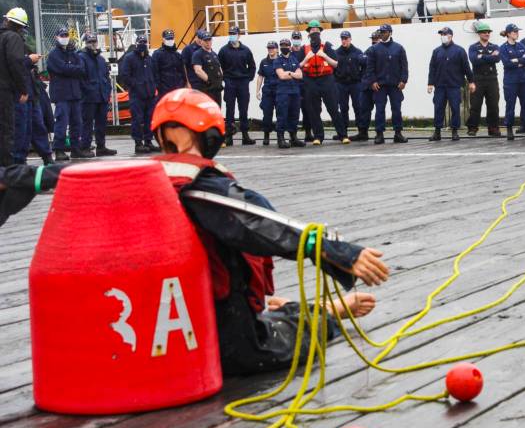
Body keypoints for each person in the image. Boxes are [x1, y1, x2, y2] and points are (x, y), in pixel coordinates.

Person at [0, 88, 389, 375]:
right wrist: (335, 249)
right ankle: (327, 313)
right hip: (206, 314)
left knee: (257, 315)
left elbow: (55, 174)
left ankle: (286, 306)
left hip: (162, 311)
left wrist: (10, 179)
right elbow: (259, 223)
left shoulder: (136, 173)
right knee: (266, 350)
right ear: (209, 136)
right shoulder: (205, 186)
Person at [298, 21, 344, 145]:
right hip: (310, 80)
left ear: (320, 32)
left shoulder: (327, 46)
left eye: (316, 30)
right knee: (313, 110)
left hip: (326, 80)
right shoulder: (304, 49)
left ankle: (342, 135)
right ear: (308, 33)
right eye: (312, 30)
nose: (314, 32)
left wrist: (324, 56)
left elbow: (336, 64)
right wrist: (306, 58)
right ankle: (318, 136)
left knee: (333, 108)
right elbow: (298, 67)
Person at [46, 28, 88, 161]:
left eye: (66, 35)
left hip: (75, 93)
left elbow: (82, 69)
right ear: (56, 37)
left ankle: (76, 149)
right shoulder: (53, 54)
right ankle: (59, 150)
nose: (64, 37)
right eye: (62, 35)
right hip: (61, 94)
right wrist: (72, 69)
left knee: (77, 123)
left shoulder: (73, 54)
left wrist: (69, 68)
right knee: (61, 123)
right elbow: (62, 68)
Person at [427, 26, 475, 141]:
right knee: (438, 108)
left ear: (450, 36)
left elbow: (466, 68)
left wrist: (471, 81)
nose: (442, 37)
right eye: (441, 35)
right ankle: (437, 132)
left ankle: (454, 131)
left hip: (454, 85)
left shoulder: (459, 50)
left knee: (455, 108)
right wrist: (430, 83)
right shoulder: (437, 51)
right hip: (440, 86)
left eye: (444, 34)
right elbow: (432, 68)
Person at [365, 23, 409, 144]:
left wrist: (403, 80)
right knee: (379, 109)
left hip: (395, 85)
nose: (382, 34)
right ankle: (379, 133)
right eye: (381, 32)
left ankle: (398, 133)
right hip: (380, 85)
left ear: (390, 32)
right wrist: (372, 81)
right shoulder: (374, 49)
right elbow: (370, 67)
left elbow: (404, 66)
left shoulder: (399, 48)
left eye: (384, 32)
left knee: (396, 109)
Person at [0, 7, 33, 167]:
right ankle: (7, 171)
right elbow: (16, 63)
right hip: (5, 90)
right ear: (21, 26)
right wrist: (23, 89)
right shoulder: (13, 38)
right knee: (7, 130)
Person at [218, 26, 257, 146]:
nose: (232, 35)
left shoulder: (246, 50)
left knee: (243, 109)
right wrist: (225, 79)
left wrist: (247, 79)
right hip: (230, 82)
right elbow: (220, 67)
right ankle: (229, 137)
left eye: (234, 33)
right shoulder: (223, 50)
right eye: (230, 33)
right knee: (230, 109)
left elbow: (252, 66)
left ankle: (245, 135)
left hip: (242, 83)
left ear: (239, 35)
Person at [78, 33, 116, 157]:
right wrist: (87, 90)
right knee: (87, 123)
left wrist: (107, 90)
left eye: (94, 41)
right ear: (86, 43)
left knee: (101, 123)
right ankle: (85, 147)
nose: (93, 44)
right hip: (89, 97)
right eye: (90, 41)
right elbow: (81, 78)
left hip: (102, 96)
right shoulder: (82, 57)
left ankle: (101, 146)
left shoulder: (100, 59)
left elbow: (106, 76)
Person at [499, 23, 525, 140]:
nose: (516, 34)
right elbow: (507, 63)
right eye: (514, 32)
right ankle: (509, 129)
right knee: (510, 105)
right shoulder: (503, 48)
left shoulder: (521, 45)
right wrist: (520, 60)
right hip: (511, 82)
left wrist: (517, 60)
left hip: (523, 80)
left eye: (517, 32)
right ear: (508, 34)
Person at [468, 21, 501, 137]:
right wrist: (489, 57)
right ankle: (472, 127)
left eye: (488, 32)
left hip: (492, 79)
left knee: (493, 105)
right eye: (484, 32)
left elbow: (497, 59)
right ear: (479, 34)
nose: (487, 34)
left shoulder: (495, 46)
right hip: (478, 78)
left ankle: (493, 128)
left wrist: (482, 56)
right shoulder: (473, 47)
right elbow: (474, 60)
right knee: (475, 105)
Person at [334, 30, 366, 142]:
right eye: (342, 39)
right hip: (341, 84)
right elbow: (332, 69)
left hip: (355, 83)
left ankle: (362, 131)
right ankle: (343, 133)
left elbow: (365, 67)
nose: (344, 41)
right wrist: (335, 81)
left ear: (350, 39)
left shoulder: (358, 52)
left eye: (346, 38)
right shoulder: (336, 53)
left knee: (358, 107)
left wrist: (360, 79)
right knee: (343, 108)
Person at [273, 38, 305, 149]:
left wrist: (289, 73)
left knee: (294, 115)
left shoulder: (294, 59)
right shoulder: (277, 60)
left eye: (286, 45)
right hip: (283, 92)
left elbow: (300, 75)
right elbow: (281, 75)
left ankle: (293, 137)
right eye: (282, 45)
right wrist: (293, 73)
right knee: (282, 115)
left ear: (290, 47)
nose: (284, 47)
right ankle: (280, 138)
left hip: (295, 92)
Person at [355, 30, 379, 141]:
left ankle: (379, 132)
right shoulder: (369, 50)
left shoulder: (383, 51)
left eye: (376, 38)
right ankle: (363, 132)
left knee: (380, 109)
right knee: (364, 109)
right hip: (366, 85)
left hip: (378, 85)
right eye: (373, 39)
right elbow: (360, 59)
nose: (374, 41)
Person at [152, 29, 189, 100]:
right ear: (163, 39)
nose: (170, 40)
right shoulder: (157, 54)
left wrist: (182, 84)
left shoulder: (177, 54)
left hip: (178, 89)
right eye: (168, 38)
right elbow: (155, 72)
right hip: (164, 90)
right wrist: (159, 87)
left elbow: (182, 71)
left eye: (171, 38)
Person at [191, 29, 224, 108]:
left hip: (217, 88)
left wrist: (220, 79)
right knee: (208, 110)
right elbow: (198, 70)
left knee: (217, 110)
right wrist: (209, 80)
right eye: (206, 41)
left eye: (209, 40)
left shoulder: (214, 54)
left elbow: (219, 68)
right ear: (201, 41)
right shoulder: (197, 54)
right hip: (207, 89)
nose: (208, 42)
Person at [255, 40, 279, 146]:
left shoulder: (281, 61)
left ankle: (280, 135)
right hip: (268, 92)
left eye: (273, 48)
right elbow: (260, 77)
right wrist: (257, 91)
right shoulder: (264, 62)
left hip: (279, 91)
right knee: (267, 114)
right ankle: (266, 136)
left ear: (277, 49)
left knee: (280, 114)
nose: (271, 50)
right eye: (269, 48)